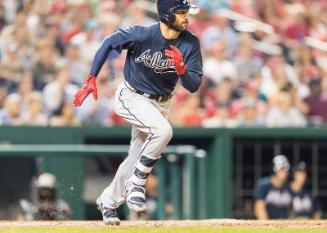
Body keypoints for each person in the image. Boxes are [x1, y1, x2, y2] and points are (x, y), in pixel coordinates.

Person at [73, 0, 203, 225]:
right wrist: (91, 77)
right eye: (181, 12)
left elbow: (193, 86)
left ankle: (109, 201)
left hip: (161, 103)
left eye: (186, 12)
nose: (186, 17)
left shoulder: (190, 42)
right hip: (131, 97)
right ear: (166, 15)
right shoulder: (142, 34)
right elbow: (108, 42)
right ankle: (137, 182)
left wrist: (182, 69)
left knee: (135, 157)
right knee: (163, 132)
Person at [253, 155, 292, 219]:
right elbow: (259, 208)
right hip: (269, 224)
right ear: (274, 169)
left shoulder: (288, 187)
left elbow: (292, 209)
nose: (284, 171)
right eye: (281, 168)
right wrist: (267, 226)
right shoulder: (264, 185)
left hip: (284, 224)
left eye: (286, 168)